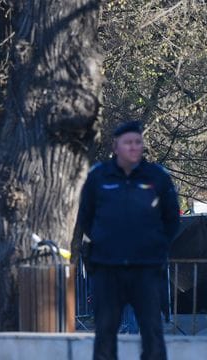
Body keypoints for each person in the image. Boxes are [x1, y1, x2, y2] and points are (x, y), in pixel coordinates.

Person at [78, 120, 180, 360]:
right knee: (105, 333)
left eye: (138, 142)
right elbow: (86, 217)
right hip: (107, 267)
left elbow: (172, 219)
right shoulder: (99, 177)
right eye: (128, 143)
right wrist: (106, 241)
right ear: (115, 146)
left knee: (152, 334)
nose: (134, 147)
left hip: (146, 268)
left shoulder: (157, 177)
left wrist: (156, 245)